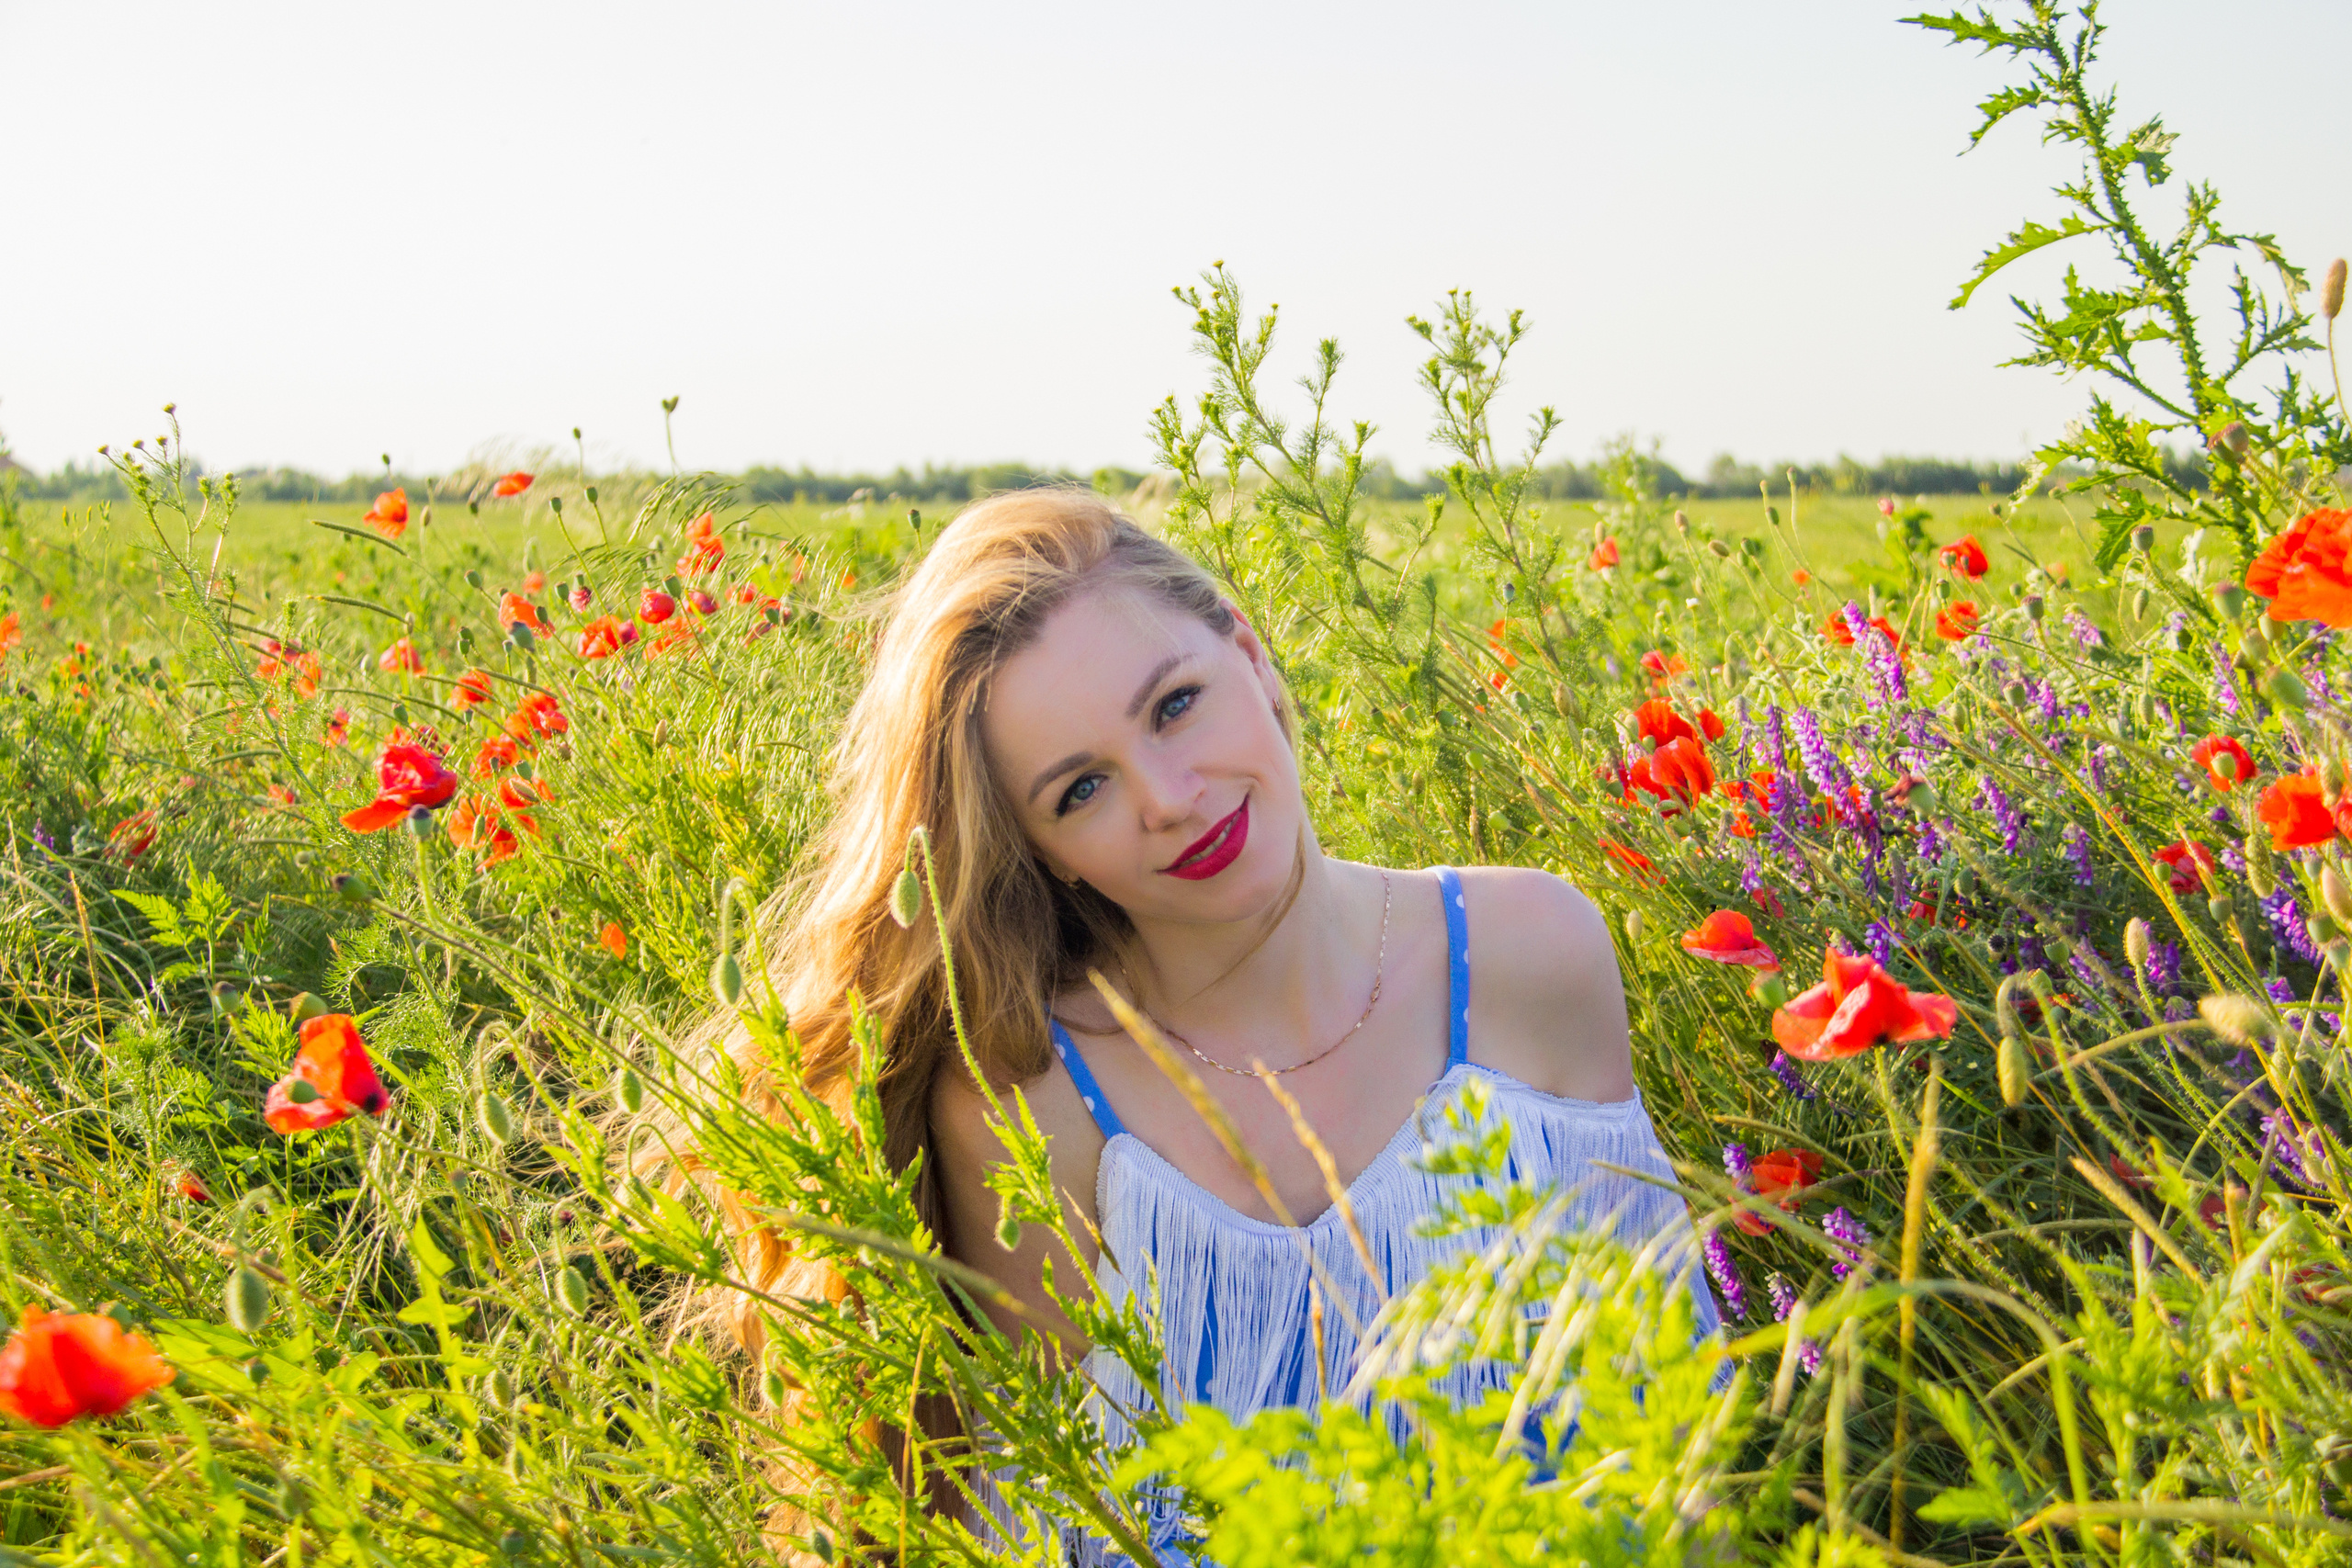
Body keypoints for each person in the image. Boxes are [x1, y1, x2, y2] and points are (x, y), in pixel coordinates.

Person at [681, 488, 1718, 1562]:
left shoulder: (1527, 952)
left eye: (1174, 704)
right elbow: (1053, 1526)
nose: (1168, 797)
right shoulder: (1036, 1100)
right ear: (1042, 853)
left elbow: (1676, 1436)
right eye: (1081, 788)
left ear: (1251, 656)